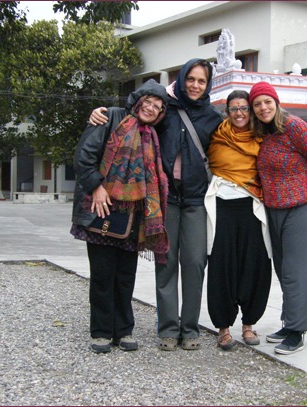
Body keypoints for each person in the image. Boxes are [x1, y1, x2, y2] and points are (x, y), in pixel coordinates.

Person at [89, 59, 223, 351]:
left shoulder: (214, 117)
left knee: (195, 263)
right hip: (165, 200)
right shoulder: (167, 111)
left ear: (208, 84)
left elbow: (233, 142)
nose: (195, 85)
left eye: (202, 81)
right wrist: (99, 113)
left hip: (196, 200)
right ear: (182, 78)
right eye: (191, 79)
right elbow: (135, 117)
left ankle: (190, 329)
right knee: (165, 262)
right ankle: (167, 329)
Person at [71, 79, 170, 353]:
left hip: (134, 216)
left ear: (161, 113)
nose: (150, 109)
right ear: (137, 101)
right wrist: (97, 187)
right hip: (102, 207)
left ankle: (123, 330)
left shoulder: (153, 135)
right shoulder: (111, 116)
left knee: (126, 276)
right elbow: (83, 156)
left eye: (157, 106)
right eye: (147, 102)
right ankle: (101, 332)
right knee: (103, 275)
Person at [248, 81, 307, 355]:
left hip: (305, 208)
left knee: (300, 272)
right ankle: (289, 323)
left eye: (267, 101)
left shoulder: (294, 126)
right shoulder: (263, 134)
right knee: (285, 271)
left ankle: (297, 332)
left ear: (276, 102)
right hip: (276, 209)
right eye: (257, 104)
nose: (263, 107)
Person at [204, 90, 272, 350]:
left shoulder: (262, 137)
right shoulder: (217, 135)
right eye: (234, 109)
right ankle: (223, 329)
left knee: (255, 265)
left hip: (253, 208)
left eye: (244, 108)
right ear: (227, 112)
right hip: (221, 208)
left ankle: (249, 325)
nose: (240, 113)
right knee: (222, 266)